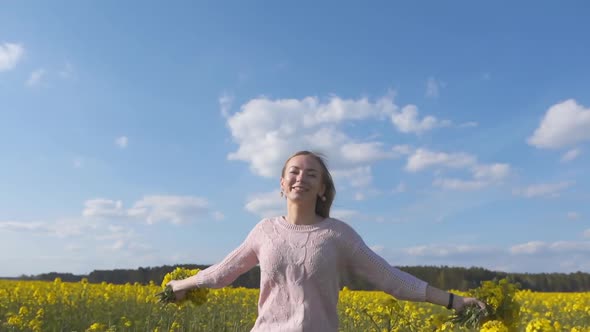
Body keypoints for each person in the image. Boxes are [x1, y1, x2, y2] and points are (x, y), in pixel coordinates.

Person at [167, 150, 486, 331]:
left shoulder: (338, 234)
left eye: (311, 174)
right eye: (293, 172)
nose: (300, 178)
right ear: (282, 183)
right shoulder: (264, 230)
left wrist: (454, 301)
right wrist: (179, 286)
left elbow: (390, 278)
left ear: (322, 188)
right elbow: (225, 270)